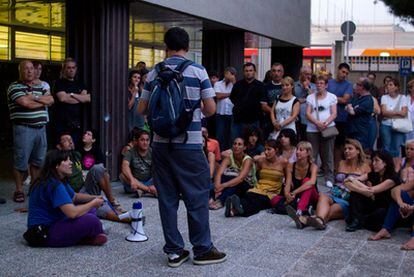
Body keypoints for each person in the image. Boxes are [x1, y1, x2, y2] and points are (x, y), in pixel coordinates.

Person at [137, 27, 226, 267]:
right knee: (196, 196)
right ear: (187, 47)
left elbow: (141, 109)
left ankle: (175, 251)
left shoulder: (155, 72)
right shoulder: (198, 70)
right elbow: (210, 109)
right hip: (189, 144)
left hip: (160, 145)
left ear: (166, 46)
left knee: (166, 199)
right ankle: (202, 249)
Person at [25, 150, 107, 247]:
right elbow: (72, 213)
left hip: (53, 223)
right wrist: (93, 203)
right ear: (56, 165)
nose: (71, 163)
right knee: (92, 220)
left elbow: (75, 196)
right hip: (43, 233)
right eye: (66, 160)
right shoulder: (54, 185)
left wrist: (95, 197)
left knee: (91, 210)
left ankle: (83, 236)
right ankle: (84, 237)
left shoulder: (55, 179)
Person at [8, 60, 54, 203]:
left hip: (41, 128)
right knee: (21, 161)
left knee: (38, 162)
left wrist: (34, 97)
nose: (29, 71)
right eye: (25, 69)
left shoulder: (40, 86)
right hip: (23, 128)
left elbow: (51, 100)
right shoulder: (14, 86)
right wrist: (41, 102)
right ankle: (19, 190)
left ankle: (33, 188)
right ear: (20, 71)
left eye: (31, 69)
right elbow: (25, 104)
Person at [57, 133, 125, 221]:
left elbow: (83, 170)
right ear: (59, 146)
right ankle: (130, 218)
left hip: (84, 188)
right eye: (66, 140)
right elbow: (72, 196)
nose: (70, 142)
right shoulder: (59, 162)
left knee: (99, 168)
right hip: (74, 196)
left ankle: (112, 201)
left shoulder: (76, 155)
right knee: (99, 210)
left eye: (71, 139)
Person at [306, 139, 371, 230]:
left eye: (350, 149)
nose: (346, 151)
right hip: (333, 193)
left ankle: (308, 221)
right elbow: (337, 181)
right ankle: (319, 220)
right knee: (323, 197)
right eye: (345, 149)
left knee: (329, 211)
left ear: (358, 151)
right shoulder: (341, 163)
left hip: (347, 198)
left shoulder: (365, 166)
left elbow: (369, 186)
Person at [224, 139, 287, 217]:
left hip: (271, 193)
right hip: (258, 188)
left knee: (258, 202)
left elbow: (288, 180)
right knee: (249, 196)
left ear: (276, 150)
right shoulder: (261, 161)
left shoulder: (284, 162)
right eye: (265, 149)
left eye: (269, 149)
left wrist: (287, 193)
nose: (266, 152)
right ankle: (234, 209)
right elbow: (253, 169)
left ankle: (234, 208)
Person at [345, 151, 399, 232]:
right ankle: (357, 220)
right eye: (373, 160)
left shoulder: (392, 178)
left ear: (385, 163)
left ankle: (359, 220)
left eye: (377, 161)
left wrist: (355, 182)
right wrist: (362, 190)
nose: (373, 163)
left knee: (379, 215)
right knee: (355, 194)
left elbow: (371, 190)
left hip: (387, 208)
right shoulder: (373, 173)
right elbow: (347, 181)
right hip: (374, 203)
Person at [306, 75, 337, 188]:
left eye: (322, 83)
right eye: (317, 83)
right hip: (312, 129)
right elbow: (308, 113)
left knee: (328, 154)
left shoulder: (332, 97)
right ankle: (310, 177)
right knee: (312, 155)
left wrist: (325, 123)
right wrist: (317, 123)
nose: (319, 85)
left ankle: (329, 177)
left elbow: (334, 113)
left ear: (326, 85)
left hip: (327, 128)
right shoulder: (310, 97)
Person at [211, 137, 256, 210]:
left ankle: (221, 200)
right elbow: (219, 173)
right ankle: (213, 197)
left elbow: (241, 178)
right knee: (222, 177)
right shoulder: (229, 157)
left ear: (244, 147)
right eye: (235, 144)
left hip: (247, 185)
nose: (236, 146)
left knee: (235, 181)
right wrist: (217, 187)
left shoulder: (248, 160)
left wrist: (222, 186)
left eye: (239, 144)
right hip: (232, 181)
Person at [54, 58, 90, 144]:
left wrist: (71, 95)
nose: (71, 70)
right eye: (69, 68)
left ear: (76, 69)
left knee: (75, 150)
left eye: (73, 68)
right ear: (64, 69)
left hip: (76, 124)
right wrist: (80, 98)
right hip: (62, 124)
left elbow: (87, 98)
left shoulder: (80, 84)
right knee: (64, 151)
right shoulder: (59, 83)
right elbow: (62, 98)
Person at [283, 141, 319, 229]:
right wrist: (287, 195)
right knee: (276, 200)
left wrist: (294, 192)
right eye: (297, 149)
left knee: (307, 181)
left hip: (313, 196)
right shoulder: (291, 165)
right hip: (298, 196)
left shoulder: (313, 166)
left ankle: (300, 211)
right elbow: (288, 182)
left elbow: (312, 182)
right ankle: (305, 213)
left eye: (301, 150)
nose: (297, 152)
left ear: (308, 153)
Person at [230, 62, 266, 140]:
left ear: (254, 72)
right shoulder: (237, 85)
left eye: (250, 70)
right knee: (236, 142)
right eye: (246, 71)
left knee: (253, 143)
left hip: (254, 120)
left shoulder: (261, 85)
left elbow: (263, 101)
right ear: (243, 72)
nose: (248, 73)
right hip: (239, 120)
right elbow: (232, 98)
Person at [327, 63, 353, 170]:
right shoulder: (329, 82)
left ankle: (336, 168)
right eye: (343, 72)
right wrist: (337, 98)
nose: (344, 75)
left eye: (346, 73)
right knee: (328, 144)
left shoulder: (348, 85)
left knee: (339, 145)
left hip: (341, 119)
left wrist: (329, 97)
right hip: (328, 118)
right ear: (338, 70)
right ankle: (326, 167)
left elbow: (345, 100)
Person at [120, 129, 156, 197]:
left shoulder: (153, 152)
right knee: (123, 176)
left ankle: (142, 191)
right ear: (136, 141)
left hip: (149, 181)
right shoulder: (130, 152)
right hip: (134, 183)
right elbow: (125, 166)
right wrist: (132, 180)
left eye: (147, 140)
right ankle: (148, 191)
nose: (145, 143)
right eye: (142, 140)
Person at [380, 78, 407, 166]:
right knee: (386, 147)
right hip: (386, 125)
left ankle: (395, 168)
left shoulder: (403, 98)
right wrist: (397, 112)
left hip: (399, 126)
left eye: (391, 85)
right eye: (387, 84)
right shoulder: (384, 97)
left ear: (396, 87)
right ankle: (386, 166)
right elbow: (384, 112)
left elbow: (404, 113)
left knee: (396, 148)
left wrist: (390, 113)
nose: (388, 86)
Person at [346, 77, 374, 150]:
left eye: (358, 84)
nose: (355, 86)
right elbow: (347, 106)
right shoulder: (356, 96)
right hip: (351, 130)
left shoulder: (368, 100)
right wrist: (350, 108)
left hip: (360, 132)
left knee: (360, 151)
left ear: (363, 87)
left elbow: (352, 112)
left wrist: (351, 108)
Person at [215, 67, 237, 151]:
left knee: (231, 136)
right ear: (224, 74)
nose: (228, 76)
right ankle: (219, 154)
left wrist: (234, 83)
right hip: (220, 113)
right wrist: (231, 94)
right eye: (227, 73)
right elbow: (218, 96)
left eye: (231, 74)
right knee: (219, 136)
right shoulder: (218, 84)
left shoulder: (236, 85)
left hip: (232, 114)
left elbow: (238, 94)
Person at [262, 63, 284, 138]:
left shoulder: (287, 85)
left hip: (285, 120)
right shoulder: (265, 86)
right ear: (271, 73)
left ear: (282, 73)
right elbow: (264, 106)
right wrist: (274, 113)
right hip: (269, 121)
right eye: (274, 71)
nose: (276, 73)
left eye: (279, 71)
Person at [294, 66, 316, 141]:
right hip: (296, 118)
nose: (309, 76)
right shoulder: (294, 85)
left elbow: (314, 99)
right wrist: (297, 101)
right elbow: (291, 100)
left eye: (310, 74)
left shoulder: (314, 86)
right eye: (306, 74)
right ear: (301, 74)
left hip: (309, 119)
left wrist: (307, 87)